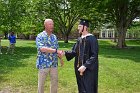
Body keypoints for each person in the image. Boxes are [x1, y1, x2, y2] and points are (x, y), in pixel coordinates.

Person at [64, 19, 99, 93]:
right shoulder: (79, 39)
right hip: (79, 68)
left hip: (89, 70)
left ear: (85, 27)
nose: (78, 28)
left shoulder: (92, 39)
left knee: (88, 88)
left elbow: (94, 55)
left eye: (79, 26)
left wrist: (85, 66)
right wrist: (64, 53)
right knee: (81, 87)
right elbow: (74, 52)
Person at [36, 19, 63, 93]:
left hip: (54, 63)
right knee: (41, 84)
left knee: (54, 82)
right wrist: (55, 51)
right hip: (43, 64)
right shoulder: (40, 36)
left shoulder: (54, 37)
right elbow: (42, 49)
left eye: (52, 24)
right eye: (50, 24)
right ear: (45, 25)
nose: (52, 26)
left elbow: (56, 48)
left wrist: (60, 58)